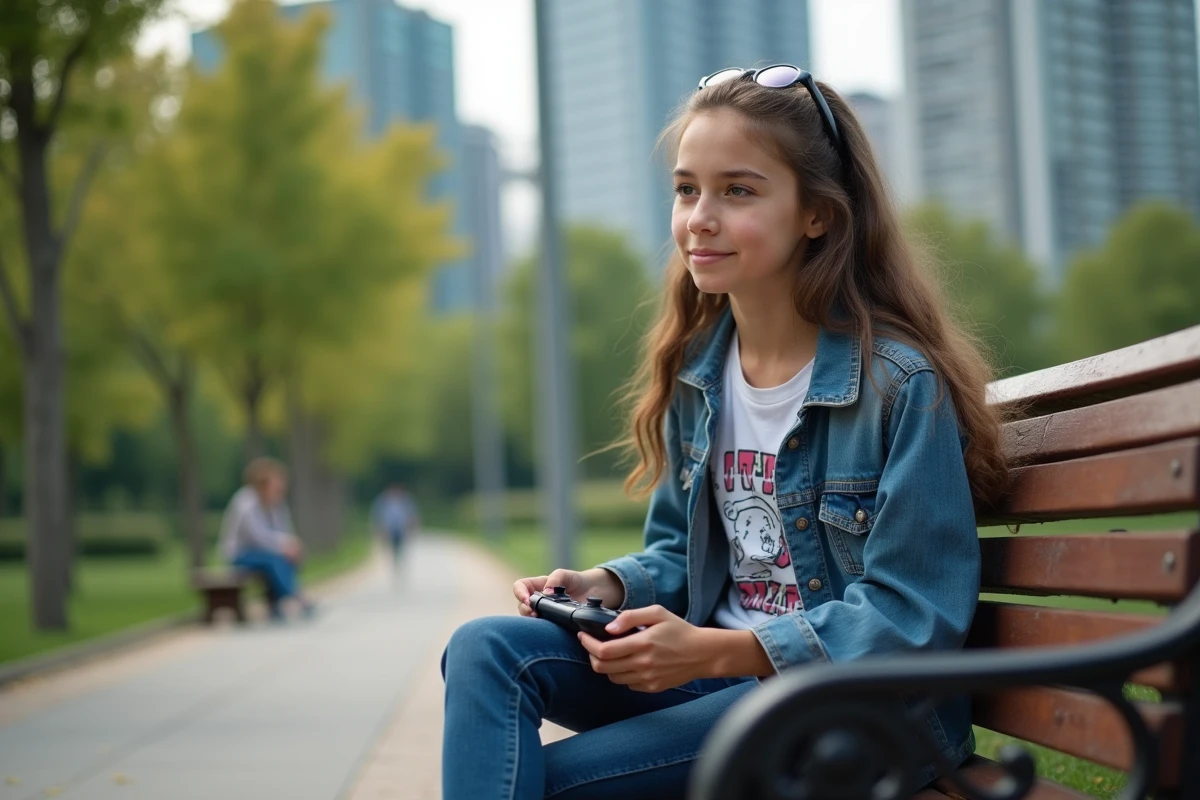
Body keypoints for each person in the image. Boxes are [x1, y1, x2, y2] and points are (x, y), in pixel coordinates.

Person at [440, 65, 1011, 799]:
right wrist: (605, 584)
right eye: (687, 189)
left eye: (737, 190)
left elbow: (912, 613)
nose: (699, 218)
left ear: (817, 214)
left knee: (540, 784)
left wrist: (720, 651)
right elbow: (682, 552)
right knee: (485, 648)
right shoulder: (700, 374)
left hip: (853, 711)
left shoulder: (897, 387)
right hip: (722, 685)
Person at [217, 456, 315, 621]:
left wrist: (292, 545)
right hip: (240, 555)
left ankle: (277, 604)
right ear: (263, 484)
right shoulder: (245, 503)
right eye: (276, 483)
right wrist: (285, 546)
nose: (280, 487)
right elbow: (257, 537)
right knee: (274, 559)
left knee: (280, 557)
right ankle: (296, 597)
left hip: (264, 553)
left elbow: (285, 530)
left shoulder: (276, 503)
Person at [369, 482, 420, 571]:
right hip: (389, 529)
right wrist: (378, 527)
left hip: (401, 528)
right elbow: (377, 514)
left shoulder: (406, 500)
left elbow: (412, 514)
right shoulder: (383, 500)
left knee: (400, 545)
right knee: (392, 546)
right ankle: (395, 559)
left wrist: (413, 526)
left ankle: (398, 559)